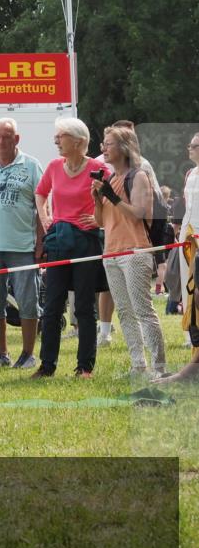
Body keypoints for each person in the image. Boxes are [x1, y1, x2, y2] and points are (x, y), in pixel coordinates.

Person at [34, 117, 108, 379]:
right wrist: (44, 216)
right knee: (52, 305)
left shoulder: (98, 167)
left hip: (85, 242)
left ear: (78, 141)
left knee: (84, 307)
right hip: (58, 241)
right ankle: (47, 366)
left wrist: (99, 219)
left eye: (61, 136)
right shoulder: (54, 166)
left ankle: (85, 366)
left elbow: (110, 199)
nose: (56, 141)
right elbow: (40, 192)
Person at [91, 126, 166, 377]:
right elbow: (100, 222)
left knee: (143, 310)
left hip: (134, 251)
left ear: (124, 148)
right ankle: (138, 365)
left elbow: (139, 213)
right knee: (124, 312)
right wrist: (96, 198)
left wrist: (111, 197)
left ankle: (159, 367)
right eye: (104, 143)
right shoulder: (111, 179)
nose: (104, 148)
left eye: (109, 144)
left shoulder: (139, 176)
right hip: (111, 252)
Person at [0, 118, 45, 370]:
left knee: (28, 301)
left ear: (17, 139)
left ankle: (28, 354)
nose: (0, 142)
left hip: (23, 248)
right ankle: (1, 354)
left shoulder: (31, 165)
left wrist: (40, 241)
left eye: (6, 137)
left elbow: (41, 207)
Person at [178, 132, 199, 346]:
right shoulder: (190, 173)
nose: (189, 149)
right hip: (187, 234)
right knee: (187, 283)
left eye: (193, 145)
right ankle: (190, 332)